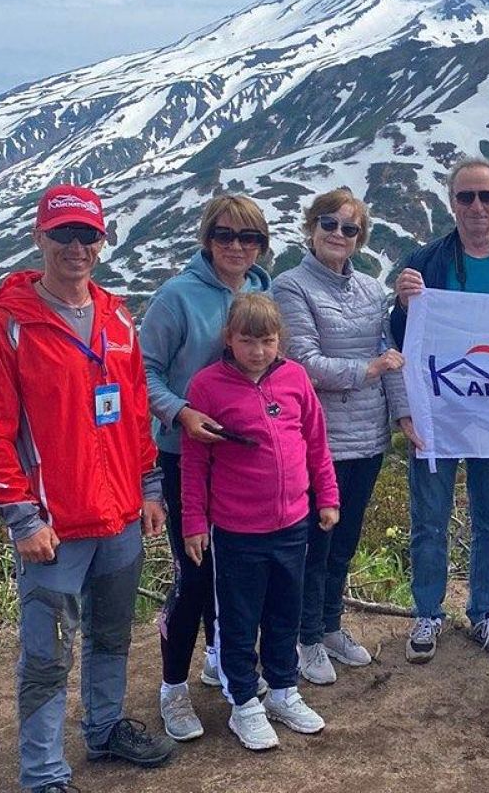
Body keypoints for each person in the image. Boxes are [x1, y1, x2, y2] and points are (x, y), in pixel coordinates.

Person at [0, 184, 176, 793]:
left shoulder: (116, 317)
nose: (75, 247)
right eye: (62, 235)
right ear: (40, 238)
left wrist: (150, 486)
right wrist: (21, 518)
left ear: (101, 241)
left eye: (87, 235)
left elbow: (135, 412)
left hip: (118, 515)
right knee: (47, 656)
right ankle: (43, 774)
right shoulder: (8, 327)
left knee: (111, 635)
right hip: (53, 528)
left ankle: (105, 731)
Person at [390, 156, 489, 664]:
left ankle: (484, 611)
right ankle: (428, 613)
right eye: (466, 197)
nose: (477, 206)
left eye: (486, 196)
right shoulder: (425, 261)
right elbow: (399, 340)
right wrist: (401, 305)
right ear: (452, 202)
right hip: (437, 412)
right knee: (430, 519)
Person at [139, 194, 273, 741]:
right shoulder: (176, 297)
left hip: (241, 459)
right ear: (206, 238)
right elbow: (142, 372)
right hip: (183, 453)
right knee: (193, 573)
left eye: (250, 238)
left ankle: (219, 660)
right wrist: (182, 413)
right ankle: (172, 688)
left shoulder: (261, 290)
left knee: (235, 569)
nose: (237, 247)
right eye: (225, 235)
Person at [180, 294, 340, 751]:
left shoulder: (294, 378)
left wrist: (327, 496)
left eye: (267, 341)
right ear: (229, 339)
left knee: (285, 612)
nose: (258, 351)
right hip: (236, 531)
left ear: (279, 341)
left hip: (293, 523)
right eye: (247, 341)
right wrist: (194, 521)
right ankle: (244, 703)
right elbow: (195, 463)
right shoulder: (207, 387)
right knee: (238, 618)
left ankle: (284, 690)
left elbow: (315, 443)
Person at [273, 188, 409, 685]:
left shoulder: (374, 290)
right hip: (318, 439)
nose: (338, 234)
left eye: (349, 228)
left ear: (359, 238)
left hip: (369, 437)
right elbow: (302, 363)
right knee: (313, 543)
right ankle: (304, 637)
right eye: (329, 224)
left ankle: (329, 625)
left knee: (344, 540)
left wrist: (404, 418)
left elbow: (392, 358)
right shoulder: (290, 287)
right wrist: (368, 369)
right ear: (312, 228)